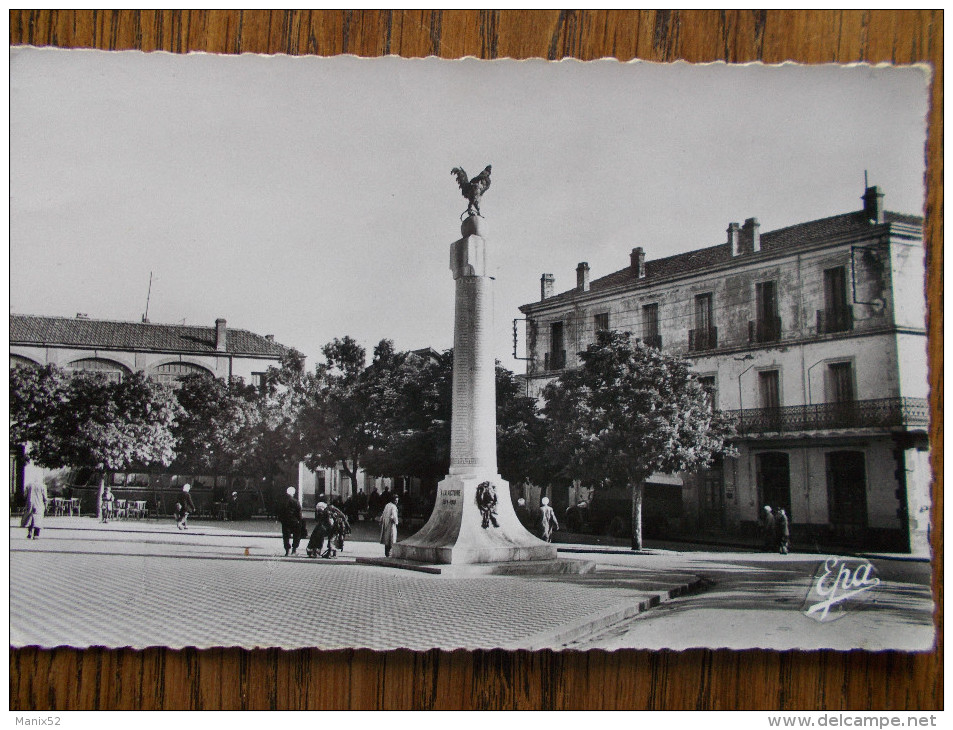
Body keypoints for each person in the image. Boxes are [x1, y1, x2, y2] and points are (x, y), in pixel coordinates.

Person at [277, 486, 304, 556]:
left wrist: (281, 519)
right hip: (294, 521)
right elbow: (299, 513)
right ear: (293, 493)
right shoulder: (296, 502)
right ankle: (294, 550)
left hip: (285, 521)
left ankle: (287, 551)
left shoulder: (282, 501)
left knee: (286, 536)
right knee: (296, 535)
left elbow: (279, 511)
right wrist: (300, 521)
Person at [379, 492, 399, 557]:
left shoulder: (387, 505)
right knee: (391, 538)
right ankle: (390, 553)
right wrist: (396, 522)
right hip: (391, 525)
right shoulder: (393, 507)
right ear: (393, 500)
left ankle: (386, 553)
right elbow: (394, 516)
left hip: (385, 524)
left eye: (397, 500)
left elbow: (383, 514)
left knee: (386, 539)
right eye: (396, 500)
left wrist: (381, 521)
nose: (397, 502)